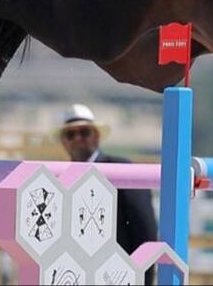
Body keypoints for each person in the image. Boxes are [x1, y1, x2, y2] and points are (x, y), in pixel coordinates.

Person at [59, 104, 158, 284]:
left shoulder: (121, 172)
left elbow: (146, 231)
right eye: (70, 134)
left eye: (84, 132)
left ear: (96, 135)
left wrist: (142, 278)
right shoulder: (62, 179)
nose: (78, 138)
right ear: (64, 141)